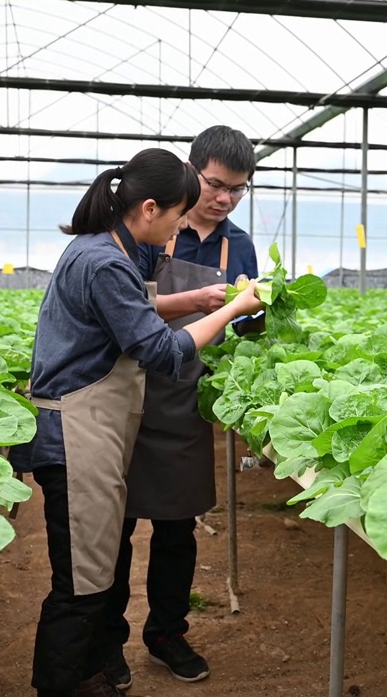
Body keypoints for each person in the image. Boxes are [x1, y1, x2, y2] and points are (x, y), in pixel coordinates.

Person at [11, 147, 263, 697]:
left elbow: (137, 312)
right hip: (77, 435)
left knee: (91, 574)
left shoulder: (103, 251)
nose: (180, 227)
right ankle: (63, 684)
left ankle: (91, 677)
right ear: (151, 209)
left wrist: (197, 297)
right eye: (178, 215)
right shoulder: (104, 262)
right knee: (79, 586)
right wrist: (228, 310)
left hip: (91, 429)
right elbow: (161, 352)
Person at [99, 126, 260, 690]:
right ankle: (107, 640)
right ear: (191, 173)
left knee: (176, 528)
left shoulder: (237, 246)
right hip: (127, 395)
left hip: (183, 402)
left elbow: (243, 329)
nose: (223, 198)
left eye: (237, 190)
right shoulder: (150, 227)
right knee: (113, 529)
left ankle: (166, 632)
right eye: (215, 184)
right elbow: (127, 312)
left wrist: (264, 315)